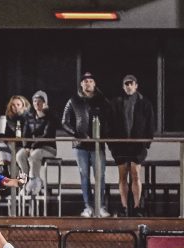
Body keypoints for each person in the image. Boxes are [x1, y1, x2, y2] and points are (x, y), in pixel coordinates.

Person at [62, 72, 111, 218]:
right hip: (80, 145)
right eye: (85, 81)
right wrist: (76, 134)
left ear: (94, 83)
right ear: (81, 84)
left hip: (97, 144)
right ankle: (88, 207)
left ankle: (100, 207)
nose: (88, 83)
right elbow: (64, 121)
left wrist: (104, 136)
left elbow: (110, 119)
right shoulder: (73, 100)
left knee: (100, 176)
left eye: (90, 81)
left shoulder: (102, 100)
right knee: (84, 176)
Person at [107, 74, 155, 217]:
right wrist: (112, 144)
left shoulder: (144, 103)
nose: (129, 86)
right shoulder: (115, 103)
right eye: (126, 84)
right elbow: (109, 124)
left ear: (136, 85)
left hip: (137, 145)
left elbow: (150, 124)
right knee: (122, 175)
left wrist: (146, 143)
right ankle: (123, 207)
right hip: (120, 146)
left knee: (135, 174)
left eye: (131, 83)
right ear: (123, 86)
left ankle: (136, 207)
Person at [17, 91, 58, 195]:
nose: (37, 104)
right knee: (20, 155)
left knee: (35, 155)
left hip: (48, 148)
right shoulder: (29, 117)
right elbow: (25, 134)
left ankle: (34, 180)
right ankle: (26, 182)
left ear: (44, 103)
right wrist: (26, 146)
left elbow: (47, 135)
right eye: (35, 101)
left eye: (39, 101)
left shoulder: (50, 118)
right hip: (32, 147)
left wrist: (33, 146)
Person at [1, 95, 32, 178]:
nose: (15, 107)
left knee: (16, 155)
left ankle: (24, 178)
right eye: (13, 105)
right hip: (13, 145)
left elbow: (29, 135)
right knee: (2, 146)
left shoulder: (28, 117)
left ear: (23, 105)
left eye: (18, 105)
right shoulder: (10, 119)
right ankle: (5, 169)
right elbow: (7, 134)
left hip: (25, 145)